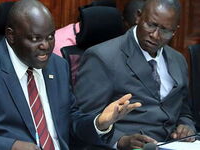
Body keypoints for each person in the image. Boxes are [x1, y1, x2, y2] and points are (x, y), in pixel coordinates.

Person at [0, 0, 141, 150]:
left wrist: (99, 123)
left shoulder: (57, 66)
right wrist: (10, 146)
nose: (46, 46)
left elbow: (70, 121)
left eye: (50, 37)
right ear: (11, 35)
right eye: (35, 39)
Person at [74, 0, 196, 149]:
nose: (155, 36)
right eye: (151, 25)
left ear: (175, 31)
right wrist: (121, 140)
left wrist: (186, 125)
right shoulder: (103, 57)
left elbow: (183, 109)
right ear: (139, 17)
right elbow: (81, 122)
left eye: (165, 30)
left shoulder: (178, 60)